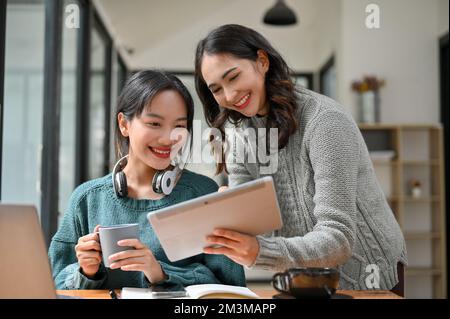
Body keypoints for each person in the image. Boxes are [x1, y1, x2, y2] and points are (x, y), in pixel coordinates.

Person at [194, 24, 407, 292]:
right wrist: (231, 213)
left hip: (367, 274)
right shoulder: (240, 134)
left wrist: (260, 250)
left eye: (233, 77)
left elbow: (338, 239)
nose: (229, 95)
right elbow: (254, 222)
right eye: (216, 89)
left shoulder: (325, 121)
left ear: (262, 62)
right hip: (302, 275)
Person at [48, 70, 245, 289]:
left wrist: (159, 272)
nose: (168, 138)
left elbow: (230, 286)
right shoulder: (86, 199)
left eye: (179, 126)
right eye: (154, 124)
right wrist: (86, 271)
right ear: (124, 124)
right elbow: (54, 283)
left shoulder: (203, 193)